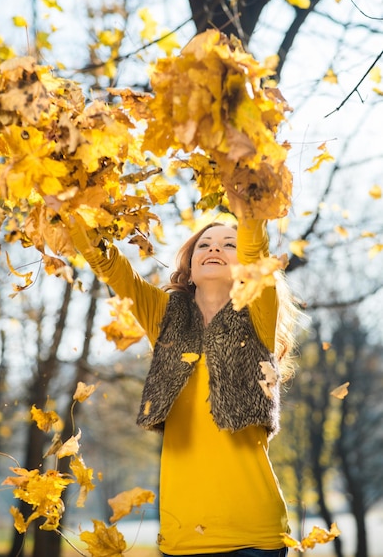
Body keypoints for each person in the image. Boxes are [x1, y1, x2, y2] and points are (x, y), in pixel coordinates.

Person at [67, 191, 298, 557]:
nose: (214, 248)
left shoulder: (258, 314)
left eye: (228, 243)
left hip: (256, 533)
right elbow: (111, 266)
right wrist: (68, 209)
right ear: (189, 267)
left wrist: (248, 209)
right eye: (204, 244)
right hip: (183, 537)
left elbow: (257, 257)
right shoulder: (164, 317)